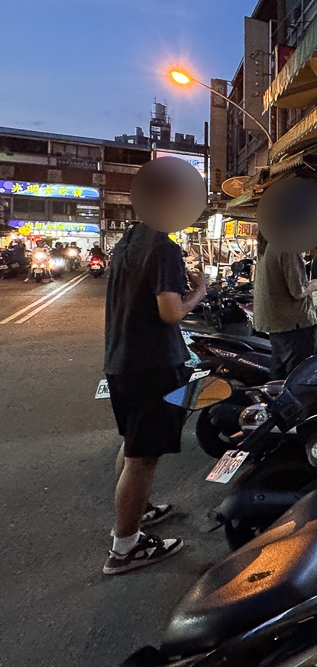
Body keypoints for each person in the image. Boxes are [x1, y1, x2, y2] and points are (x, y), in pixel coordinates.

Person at [103, 222, 208, 574]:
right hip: (153, 365)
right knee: (142, 458)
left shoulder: (128, 241)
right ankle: (125, 548)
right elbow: (171, 311)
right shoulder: (163, 247)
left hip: (122, 361)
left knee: (132, 446)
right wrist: (201, 291)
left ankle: (139, 511)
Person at [254, 232, 317, 380]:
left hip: (277, 323)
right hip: (294, 325)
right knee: (298, 379)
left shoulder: (267, 242)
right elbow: (299, 291)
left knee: (279, 378)